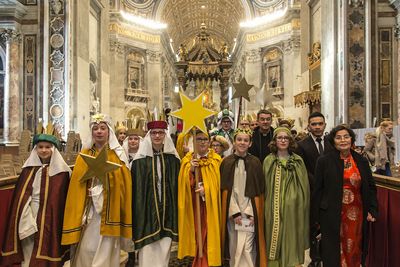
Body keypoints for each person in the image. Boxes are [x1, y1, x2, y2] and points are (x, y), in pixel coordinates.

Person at [62, 113, 132, 267]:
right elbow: (77, 184)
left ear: (109, 132)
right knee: (87, 249)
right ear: (91, 132)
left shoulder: (118, 155)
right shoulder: (84, 155)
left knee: (106, 250)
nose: (99, 131)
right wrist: (89, 194)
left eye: (102, 128)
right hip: (89, 212)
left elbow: (123, 184)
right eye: (95, 129)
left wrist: (101, 192)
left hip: (110, 210)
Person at [311, 124, 378, 267]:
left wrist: (372, 209)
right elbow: (317, 190)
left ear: (352, 139)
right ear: (333, 141)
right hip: (331, 214)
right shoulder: (324, 161)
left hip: (356, 214)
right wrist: (315, 219)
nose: (343, 140)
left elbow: (371, 187)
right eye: (338, 138)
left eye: (346, 137)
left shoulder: (361, 160)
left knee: (354, 248)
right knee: (333, 252)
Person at [1, 134, 71, 267]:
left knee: (50, 244)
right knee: (29, 244)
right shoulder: (28, 170)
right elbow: (20, 197)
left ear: (54, 149)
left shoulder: (62, 172)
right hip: (30, 210)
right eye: (40, 147)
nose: (44, 150)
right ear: (35, 149)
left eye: (47, 147)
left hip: (52, 215)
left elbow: (62, 199)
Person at [131, 119, 180, 267]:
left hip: (167, 212)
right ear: (149, 135)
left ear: (165, 135)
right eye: (154, 133)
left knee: (164, 249)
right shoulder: (139, 161)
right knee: (147, 252)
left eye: (160, 133)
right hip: (146, 213)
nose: (157, 136)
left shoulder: (173, 160)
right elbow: (135, 190)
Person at [263, 127, 310, 267]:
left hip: (294, 208)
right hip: (273, 207)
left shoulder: (298, 160)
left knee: (292, 234)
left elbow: (304, 187)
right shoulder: (268, 160)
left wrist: (299, 203)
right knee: (274, 234)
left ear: (290, 141)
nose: (283, 140)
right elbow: (264, 185)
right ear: (275, 140)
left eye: (286, 138)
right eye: (280, 137)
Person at [220, 128, 267, 267]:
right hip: (232, 213)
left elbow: (259, 190)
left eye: (246, 140)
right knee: (233, 246)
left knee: (248, 247)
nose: (242, 143)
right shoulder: (226, 162)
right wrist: (234, 212)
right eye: (239, 140)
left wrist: (250, 212)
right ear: (234, 142)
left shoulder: (256, 163)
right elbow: (225, 191)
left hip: (249, 213)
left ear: (250, 143)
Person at [177, 130, 222, 266]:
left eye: (205, 139)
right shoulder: (187, 160)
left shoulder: (216, 160)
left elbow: (220, 184)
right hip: (194, 206)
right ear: (194, 142)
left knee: (209, 234)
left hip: (210, 206)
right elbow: (182, 185)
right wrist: (190, 171)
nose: (202, 142)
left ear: (209, 142)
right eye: (199, 139)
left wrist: (206, 190)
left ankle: (208, 262)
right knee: (196, 235)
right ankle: (198, 261)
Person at [295, 112, 334, 193]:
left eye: (320, 124)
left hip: (332, 188)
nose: (317, 127)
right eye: (314, 124)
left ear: (325, 125)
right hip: (312, 189)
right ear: (309, 126)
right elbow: (303, 169)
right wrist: (317, 183)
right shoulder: (301, 145)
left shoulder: (332, 143)